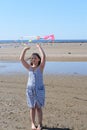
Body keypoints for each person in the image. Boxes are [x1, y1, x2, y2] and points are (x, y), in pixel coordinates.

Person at [20, 44, 46, 130]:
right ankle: (32, 124)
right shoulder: (29, 68)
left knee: (38, 108)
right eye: (32, 58)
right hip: (30, 90)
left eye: (35, 58)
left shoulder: (41, 68)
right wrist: (24, 49)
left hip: (39, 90)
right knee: (32, 108)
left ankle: (40, 124)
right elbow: (21, 59)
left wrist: (39, 48)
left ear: (39, 59)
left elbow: (44, 57)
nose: (33, 59)